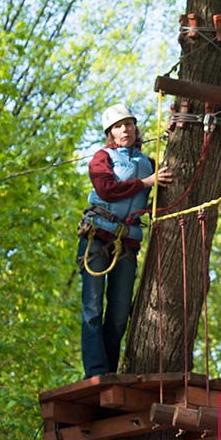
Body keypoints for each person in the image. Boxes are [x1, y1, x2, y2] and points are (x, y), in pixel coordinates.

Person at [76, 104, 172, 378]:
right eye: (119, 126)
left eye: (129, 124)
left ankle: (108, 370)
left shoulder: (146, 163)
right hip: (96, 238)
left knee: (119, 315)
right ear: (110, 133)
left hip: (126, 246)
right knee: (93, 309)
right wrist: (145, 183)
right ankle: (96, 373)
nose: (125, 129)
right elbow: (106, 189)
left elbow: (159, 195)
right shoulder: (101, 158)